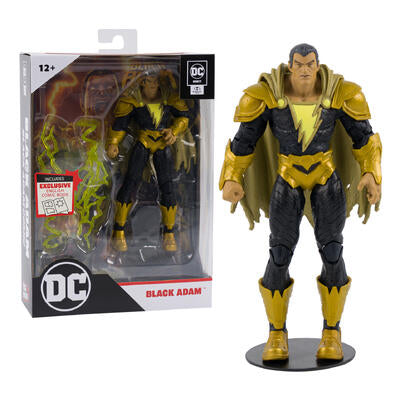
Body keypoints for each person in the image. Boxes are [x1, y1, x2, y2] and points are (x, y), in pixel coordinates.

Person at [219, 44, 382, 361]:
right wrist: (232, 176)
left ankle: (332, 332)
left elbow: (363, 136)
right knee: (279, 253)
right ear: (290, 66)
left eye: (310, 64)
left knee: (332, 250)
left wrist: (371, 173)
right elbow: (244, 139)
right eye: (299, 64)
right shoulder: (267, 96)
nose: (305, 69)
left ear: (318, 66)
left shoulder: (340, 94)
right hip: (287, 176)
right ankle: (276, 334)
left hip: (325, 175)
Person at [107, 69, 191, 252]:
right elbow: (120, 124)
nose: (153, 84)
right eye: (148, 81)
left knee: (167, 186)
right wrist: (113, 142)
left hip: (162, 144)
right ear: (142, 82)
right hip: (142, 142)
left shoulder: (169, 98)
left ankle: (169, 233)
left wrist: (174, 131)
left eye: (155, 81)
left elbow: (184, 117)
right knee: (130, 183)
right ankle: (118, 231)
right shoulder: (132, 100)